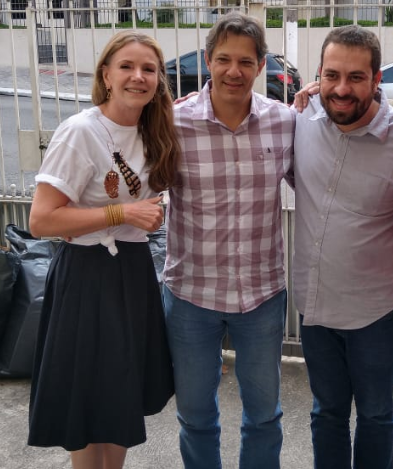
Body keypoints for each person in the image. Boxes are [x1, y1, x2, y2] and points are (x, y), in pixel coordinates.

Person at [27, 30, 180, 469]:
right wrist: (122, 213)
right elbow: (42, 220)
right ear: (106, 76)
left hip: (131, 271)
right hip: (87, 273)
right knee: (89, 394)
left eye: (149, 69)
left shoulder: (155, 131)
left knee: (118, 393)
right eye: (126, 67)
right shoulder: (80, 132)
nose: (138, 76)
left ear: (159, 80)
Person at [162, 12, 295, 469]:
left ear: (261, 66)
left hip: (261, 295)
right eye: (223, 60)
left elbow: (318, 173)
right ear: (207, 60)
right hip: (191, 295)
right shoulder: (173, 123)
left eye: (245, 61)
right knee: (195, 415)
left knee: (264, 416)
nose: (233, 71)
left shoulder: (285, 122)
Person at [293, 25, 393, 469]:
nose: (341, 89)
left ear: (376, 79)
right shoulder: (302, 119)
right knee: (326, 413)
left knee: (375, 414)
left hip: (377, 312)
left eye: (355, 77)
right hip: (316, 306)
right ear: (318, 76)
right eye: (331, 75)